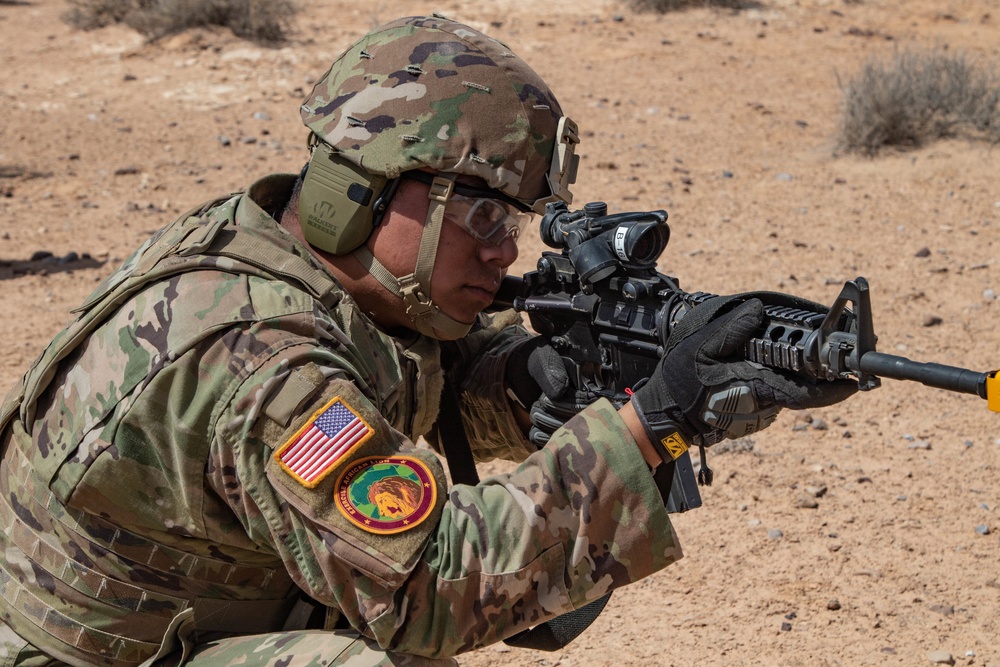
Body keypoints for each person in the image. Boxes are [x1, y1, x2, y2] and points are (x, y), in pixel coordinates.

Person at [0, 14, 855, 667]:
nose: (506, 248)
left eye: (512, 218)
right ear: (368, 190)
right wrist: (652, 421)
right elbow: (431, 580)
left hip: (185, 610)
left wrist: (527, 372)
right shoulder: (259, 357)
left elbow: (409, 359)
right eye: (480, 212)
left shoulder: (283, 245)